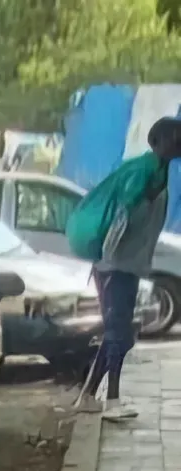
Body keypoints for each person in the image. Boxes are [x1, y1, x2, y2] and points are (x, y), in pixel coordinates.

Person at [82, 117, 181, 421]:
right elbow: (123, 214)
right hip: (116, 266)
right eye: (177, 137)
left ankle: (87, 396)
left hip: (125, 266)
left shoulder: (158, 171)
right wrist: (109, 261)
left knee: (118, 333)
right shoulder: (143, 171)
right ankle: (111, 401)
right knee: (119, 334)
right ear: (161, 141)